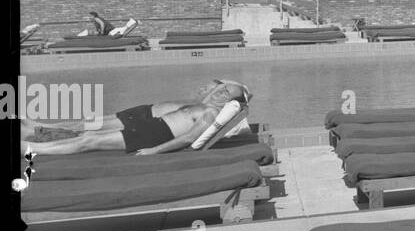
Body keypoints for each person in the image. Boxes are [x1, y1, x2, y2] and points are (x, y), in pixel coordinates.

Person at [23, 80, 252, 157]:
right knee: (89, 133)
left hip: (154, 134)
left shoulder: (209, 113)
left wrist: (154, 151)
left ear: (230, 102)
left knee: (89, 140)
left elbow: (187, 140)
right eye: (221, 89)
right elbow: (224, 88)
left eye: (226, 93)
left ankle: (32, 148)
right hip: (152, 126)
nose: (219, 91)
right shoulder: (205, 104)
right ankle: (35, 140)